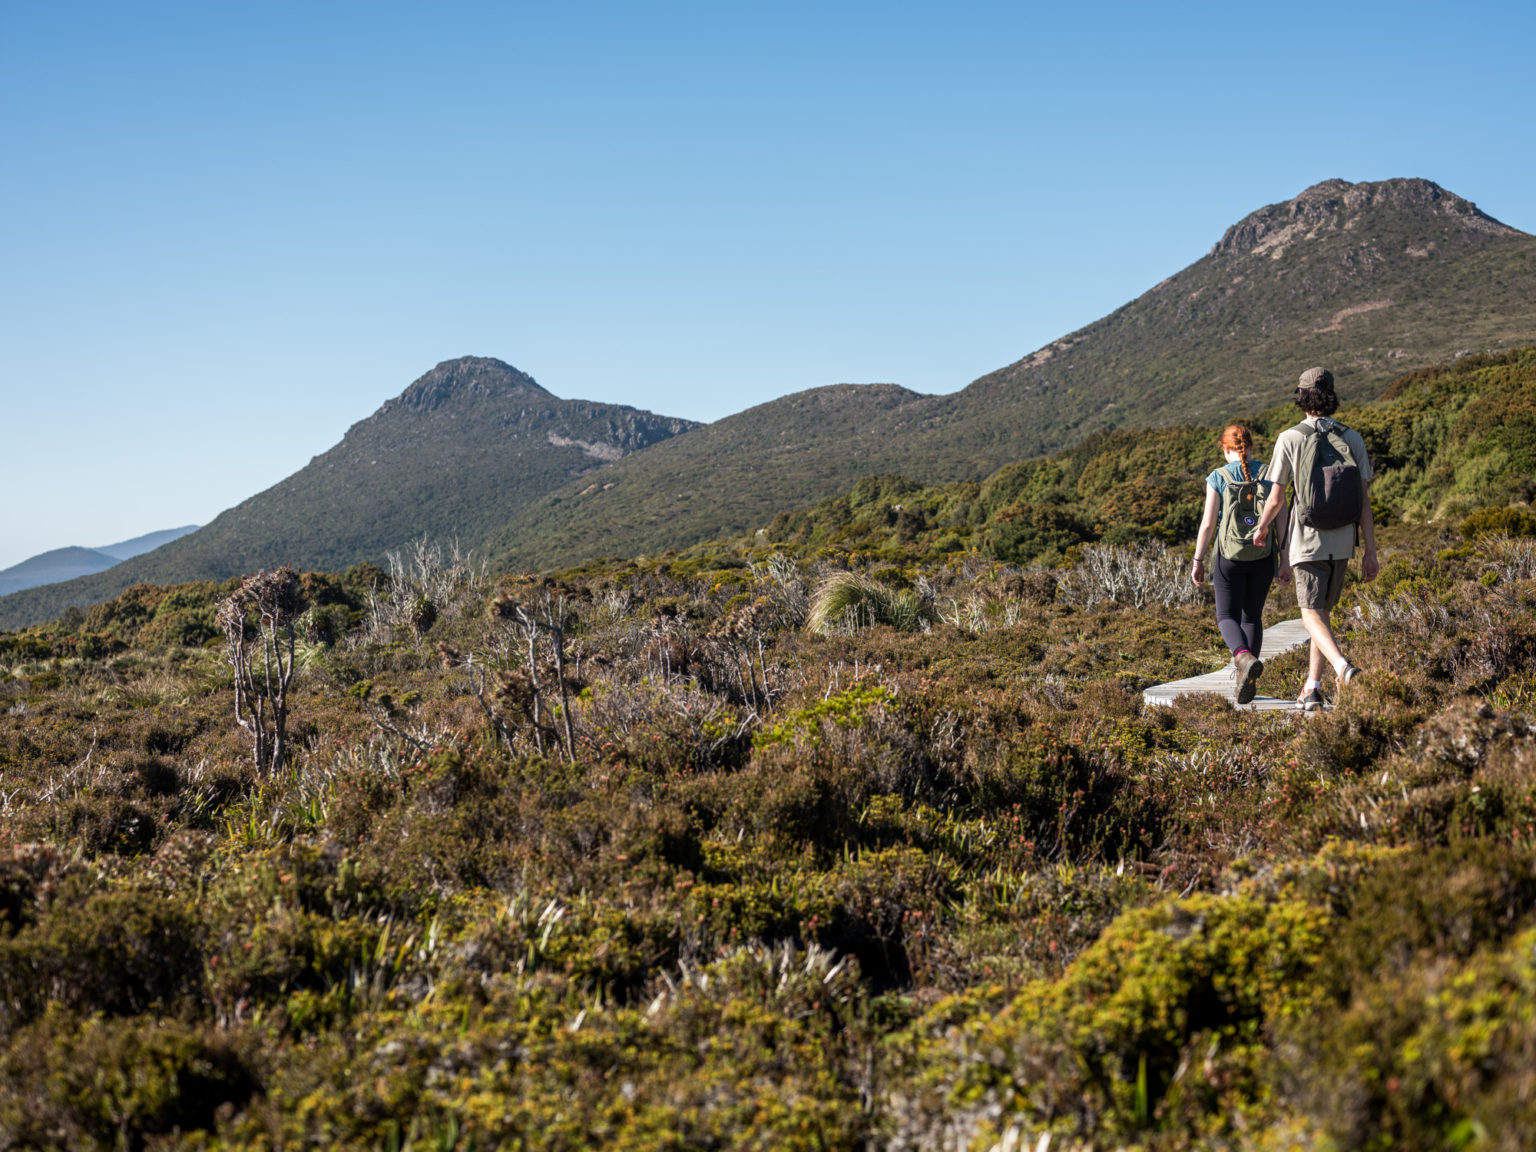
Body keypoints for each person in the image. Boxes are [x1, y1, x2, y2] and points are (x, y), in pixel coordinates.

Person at [1253, 366, 1379, 711]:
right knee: (1322, 613)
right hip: (1342, 541)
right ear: (1331, 396)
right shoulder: (1352, 437)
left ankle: (1343, 668)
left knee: (1309, 614)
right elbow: (1364, 502)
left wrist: (1262, 528)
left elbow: (1276, 498)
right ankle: (1312, 688)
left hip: (1307, 540)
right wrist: (1370, 550)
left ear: (1301, 397)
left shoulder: (1289, 438)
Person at [1192, 424, 1290, 704]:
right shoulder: (1272, 473)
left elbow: (1209, 524)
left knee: (1226, 617)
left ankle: (1242, 657)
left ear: (1225, 449)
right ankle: (1247, 677)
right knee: (1252, 617)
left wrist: (1198, 560)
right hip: (1263, 556)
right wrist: (1285, 561)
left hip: (1229, 557)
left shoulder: (1218, 476)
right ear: (1251, 446)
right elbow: (1281, 520)